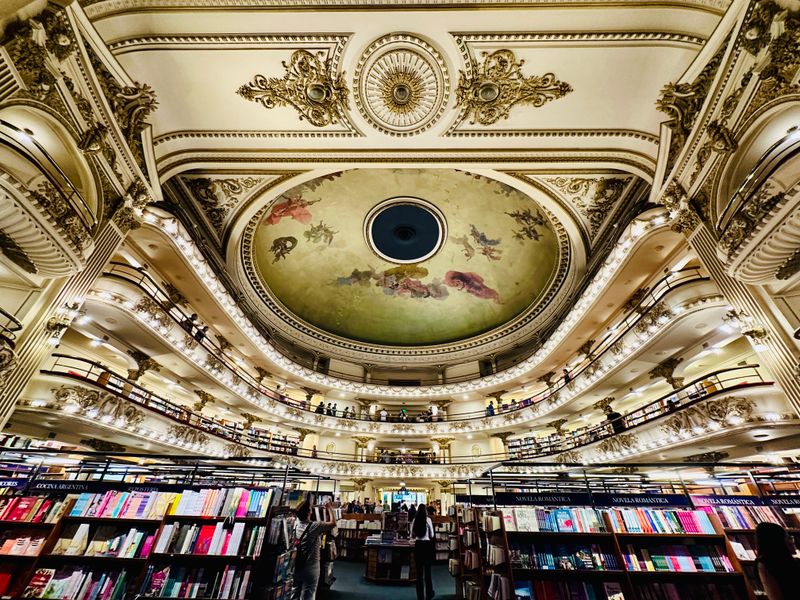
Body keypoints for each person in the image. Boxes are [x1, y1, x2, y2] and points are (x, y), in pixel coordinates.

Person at [291, 498, 336, 600]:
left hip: (297, 565)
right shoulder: (314, 526)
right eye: (311, 509)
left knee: (295, 592)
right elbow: (333, 523)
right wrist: (329, 508)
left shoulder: (295, 525)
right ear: (309, 513)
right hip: (311, 566)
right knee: (309, 594)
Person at [756, 521, 799, 599]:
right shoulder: (764, 564)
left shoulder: (791, 562)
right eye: (789, 538)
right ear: (779, 541)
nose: (792, 542)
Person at [411, 504, 435, 600]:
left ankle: (420, 596)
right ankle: (429, 593)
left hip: (418, 546)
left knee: (419, 573)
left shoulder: (414, 520)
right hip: (427, 546)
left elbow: (412, 535)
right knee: (428, 571)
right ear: (425, 511)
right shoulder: (428, 520)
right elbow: (432, 535)